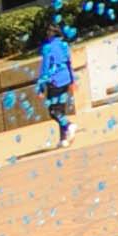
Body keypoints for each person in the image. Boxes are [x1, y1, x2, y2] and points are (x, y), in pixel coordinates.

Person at [38, 19, 77, 149]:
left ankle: (68, 126)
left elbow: (45, 68)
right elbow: (68, 63)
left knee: (53, 111)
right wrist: (72, 80)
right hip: (65, 79)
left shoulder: (47, 47)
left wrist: (41, 87)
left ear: (50, 33)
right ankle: (63, 139)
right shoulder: (64, 45)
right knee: (61, 109)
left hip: (55, 81)